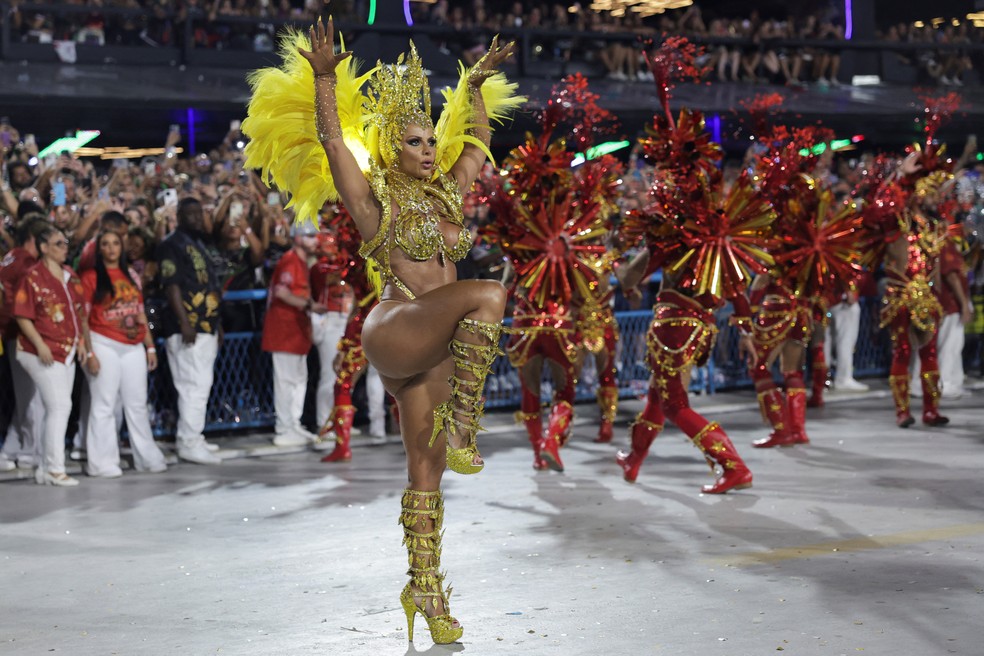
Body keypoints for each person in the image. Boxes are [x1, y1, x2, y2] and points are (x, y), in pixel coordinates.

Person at [243, 19, 523, 644]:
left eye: (431, 141)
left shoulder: (450, 195)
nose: (431, 149)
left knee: (426, 475)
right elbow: (334, 145)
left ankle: (424, 588)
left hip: (440, 347)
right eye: (418, 142)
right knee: (490, 292)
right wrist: (322, 78)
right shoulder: (375, 204)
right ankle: (466, 427)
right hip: (397, 326)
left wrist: (474, 85)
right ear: (394, 148)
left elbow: (476, 143)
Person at [81, 229, 168, 476]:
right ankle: (101, 462)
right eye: (105, 244)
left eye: (115, 244)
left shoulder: (130, 274)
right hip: (103, 342)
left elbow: (140, 312)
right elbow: (83, 319)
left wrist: (149, 345)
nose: (111, 249)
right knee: (104, 403)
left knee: (137, 403)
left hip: (133, 345)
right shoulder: (90, 277)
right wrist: (89, 353)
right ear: (99, 250)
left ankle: (146, 457)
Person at [14, 226, 91, 486]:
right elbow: (23, 315)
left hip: (66, 350)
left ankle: (46, 466)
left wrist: (82, 341)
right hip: (39, 350)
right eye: (58, 243)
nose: (64, 247)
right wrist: (39, 344)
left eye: (65, 243)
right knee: (60, 406)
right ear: (44, 247)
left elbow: (79, 312)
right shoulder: (32, 277)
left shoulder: (70, 275)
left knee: (56, 407)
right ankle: (54, 468)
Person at [157, 197, 224, 464]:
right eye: (191, 214)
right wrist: (184, 321)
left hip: (206, 325)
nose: (197, 218)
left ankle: (195, 436)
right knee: (192, 386)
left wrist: (217, 325)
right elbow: (171, 285)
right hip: (187, 327)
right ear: (180, 216)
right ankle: (188, 442)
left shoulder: (198, 243)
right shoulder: (171, 244)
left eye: (199, 213)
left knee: (201, 384)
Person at [261, 222, 327, 447]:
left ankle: (293, 425)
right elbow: (282, 292)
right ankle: (284, 428)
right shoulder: (290, 260)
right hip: (284, 329)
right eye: (309, 236)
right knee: (287, 381)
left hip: (296, 331)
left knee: (298, 380)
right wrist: (310, 305)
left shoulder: (301, 262)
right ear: (297, 238)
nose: (314, 240)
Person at [0, 217, 47, 472]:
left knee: (25, 397)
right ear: (35, 240)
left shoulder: (11, 255)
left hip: (10, 333)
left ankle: (11, 449)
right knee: (32, 398)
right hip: (22, 334)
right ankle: (31, 452)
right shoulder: (27, 263)